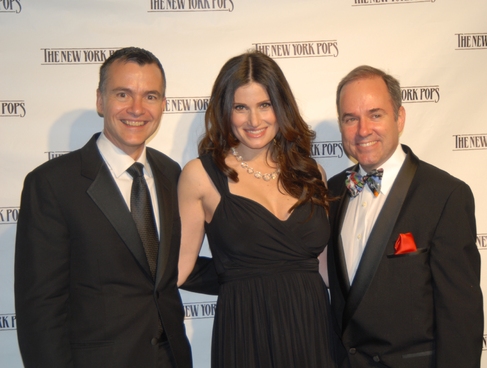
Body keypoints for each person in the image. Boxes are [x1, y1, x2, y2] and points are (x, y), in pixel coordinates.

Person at [14, 47, 214, 368]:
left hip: (171, 358)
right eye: (123, 94)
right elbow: (40, 309)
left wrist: (262, 272)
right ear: (100, 100)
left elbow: (172, 267)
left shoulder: (171, 173)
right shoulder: (52, 184)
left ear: (163, 105)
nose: (137, 108)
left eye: (150, 96)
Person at [177, 50, 337, 368]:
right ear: (225, 111)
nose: (254, 121)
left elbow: (325, 268)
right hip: (245, 330)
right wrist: (238, 277)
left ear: (281, 107)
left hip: (314, 329)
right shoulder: (200, 175)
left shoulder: (312, 172)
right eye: (241, 107)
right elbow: (179, 269)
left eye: (265, 105)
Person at [326, 65, 484, 368]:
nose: (362, 130)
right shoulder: (333, 192)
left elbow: (461, 318)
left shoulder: (445, 196)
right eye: (350, 119)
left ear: (399, 117)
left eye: (375, 114)